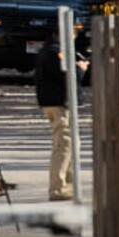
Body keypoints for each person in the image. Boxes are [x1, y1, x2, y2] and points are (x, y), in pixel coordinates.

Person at [34, 32, 88, 201]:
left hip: (55, 102)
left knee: (71, 143)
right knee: (64, 144)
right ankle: (57, 188)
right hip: (59, 103)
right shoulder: (55, 53)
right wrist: (80, 69)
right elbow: (67, 77)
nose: (74, 36)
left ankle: (68, 184)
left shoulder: (50, 50)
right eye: (72, 33)